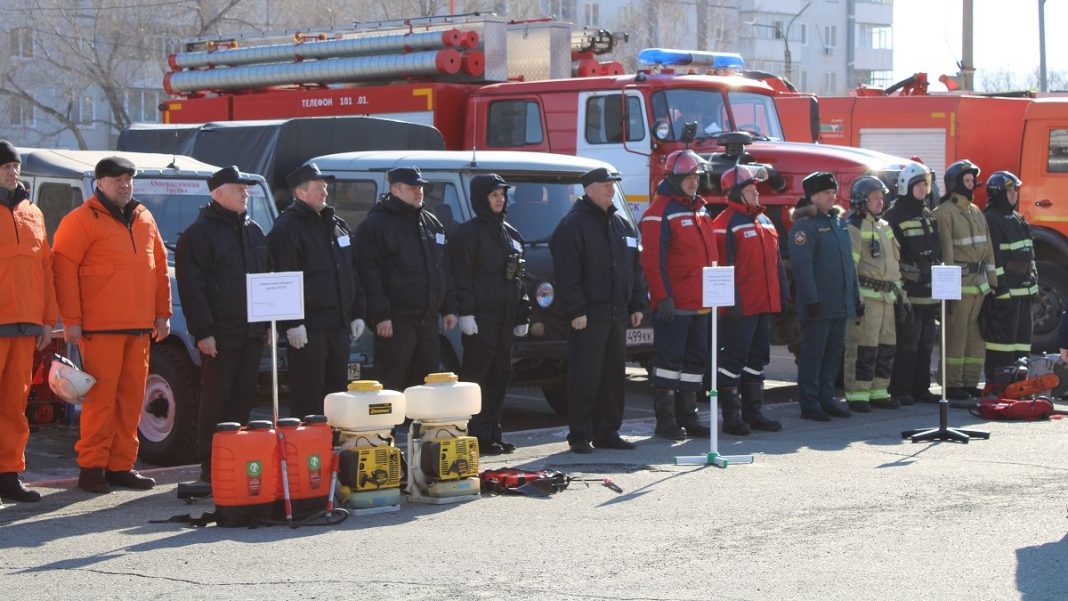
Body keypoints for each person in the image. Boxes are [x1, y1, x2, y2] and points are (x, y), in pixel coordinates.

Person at [53, 156, 171, 494]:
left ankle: (121, 466)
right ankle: (92, 468)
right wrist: (72, 321)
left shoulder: (144, 217)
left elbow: (159, 267)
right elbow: (63, 273)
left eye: (128, 178)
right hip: (99, 328)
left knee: (132, 400)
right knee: (100, 402)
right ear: (99, 183)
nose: (124, 184)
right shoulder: (80, 221)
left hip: (138, 327)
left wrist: (163, 314)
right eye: (116, 179)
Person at [176, 166, 270, 482]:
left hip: (251, 332)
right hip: (219, 334)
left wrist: (268, 324)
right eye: (238, 188)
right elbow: (193, 287)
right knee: (215, 399)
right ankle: (210, 464)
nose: (246, 193)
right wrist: (202, 331)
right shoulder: (199, 235)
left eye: (246, 188)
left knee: (243, 398)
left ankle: (237, 457)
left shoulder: (254, 231)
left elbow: (265, 281)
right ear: (218, 194)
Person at [551, 167, 647, 453]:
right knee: (585, 375)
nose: (611, 189)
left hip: (617, 313)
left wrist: (637, 303)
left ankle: (608, 432)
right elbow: (567, 274)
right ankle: (580, 434)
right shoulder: (573, 225)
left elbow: (634, 268)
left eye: (613, 185)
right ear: (589, 189)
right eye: (606, 185)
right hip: (588, 316)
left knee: (614, 375)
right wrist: (576, 310)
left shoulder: (621, 224)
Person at [267, 163, 365, 418]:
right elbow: (283, 276)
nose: (324, 192)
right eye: (318, 187)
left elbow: (352, 272)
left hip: (338, 326)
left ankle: (332, 447)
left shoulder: (337, 225)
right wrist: (292, 323)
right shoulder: (288, 227)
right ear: (300, 193)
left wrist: (357, 313)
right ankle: (308, 451)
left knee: (336, 394)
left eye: (325, 187)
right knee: (308, 393)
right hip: (309, 328)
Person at [449, 174, 531, 455]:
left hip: (505, 317)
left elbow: (519, 277)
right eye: (494, 195)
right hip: (481, 318)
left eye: (503, 195)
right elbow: (461, 277)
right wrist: (466, 313)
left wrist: (523, 313)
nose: (500, 199)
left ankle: (494, 432)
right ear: (481, 198)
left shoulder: (512, 234)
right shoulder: (467, 234)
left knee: (501, 375)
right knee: (477, 377)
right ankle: (476, 434)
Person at [355, 167, 456, 395]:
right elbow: (368, 274)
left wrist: (449, 308)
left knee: (425, 388)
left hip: (428, 322)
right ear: (395, 190)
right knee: (389, 386)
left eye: (420, 187)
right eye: (412, 188)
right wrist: (381, 316)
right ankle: (386, 432)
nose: (418, 192)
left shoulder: (431, 223)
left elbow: (443, 268)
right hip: (396, 323)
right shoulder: (376, 225)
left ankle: (418, 430)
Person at [639, 150, 716, 441]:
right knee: (669, 362)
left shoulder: (700, 209)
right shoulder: (659, 213)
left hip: (701, 303)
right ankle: (666, 420)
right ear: (674, 178)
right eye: (688, 177)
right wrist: (662, 297)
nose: (694, 182)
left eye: (696, 177)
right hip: (676, 304)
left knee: (695, 362)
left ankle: (689, 416)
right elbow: (652, 262)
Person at [0, 141, 57, 502]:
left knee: (15, 406)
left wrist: (47, 322)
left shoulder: (33, 213)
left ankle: (9, 474)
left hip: (25, 326)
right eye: (5, 166)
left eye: (15, 166)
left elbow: (46, 271)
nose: (13, 171)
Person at [712, 163, 787, 434]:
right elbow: (719, 269)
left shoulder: (765, 221)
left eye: (756, 188)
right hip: (739, 308)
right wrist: (730, 304)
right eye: (750, 189)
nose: (757, 193)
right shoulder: (724, 224)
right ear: (734, 193)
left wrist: (783, 293)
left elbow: (776, 263)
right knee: (733, 360)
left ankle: (753, 413)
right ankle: (731, 418)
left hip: (764, 304)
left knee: (757, 359)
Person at [787, 172, 860, 421]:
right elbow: (802, 267)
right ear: (813, 196)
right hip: (818, 306)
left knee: (832, 355)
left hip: (840, 304)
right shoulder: (804, 227)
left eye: (833, 192)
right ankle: (810, 403)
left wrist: (855, 297)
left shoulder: (838, 223)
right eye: (827, 193)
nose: (833, 196)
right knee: (813, 355)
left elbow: (849, 265)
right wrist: (811, 300)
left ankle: (826, 399)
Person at [932, 159, 996, 401]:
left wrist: (992, 283)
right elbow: (946, 252)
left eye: (972, 181)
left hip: (979, 286)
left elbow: (988, 249)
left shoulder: (976, 211)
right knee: (955, 335)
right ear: (955, 184)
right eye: (967, 181)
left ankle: (969, 381)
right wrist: (948, 290)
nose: (972, 185)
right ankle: (951, 384)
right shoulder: (944, 213)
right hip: (959, 285)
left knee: (975, 337)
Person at [843, 176, 907, 412]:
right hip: (867, 299)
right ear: (862, 200)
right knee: (862, 347)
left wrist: (902, 295)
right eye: (875, 198)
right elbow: (850, 268)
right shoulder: (854, 226)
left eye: (882, 197)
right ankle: (858, 394)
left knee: (886, 346)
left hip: (887, 298)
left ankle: (879, 391)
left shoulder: (884, 226)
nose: (881, 202)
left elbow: (893, 265)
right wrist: (855, 298)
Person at [884, 162, 941, 405]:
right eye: (918, 184)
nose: (922, 189)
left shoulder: (928, 213)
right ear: (906, 186)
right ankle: (901, 390)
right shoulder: (894, 215)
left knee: (927, 342)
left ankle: (921, 388)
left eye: (925, 184)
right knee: (908, 343)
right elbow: (893, 256)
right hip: (909, 291)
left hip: (930, 291)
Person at [981, 171, 1037, 382]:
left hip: (1024, 294)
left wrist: (1034, 281)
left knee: (1022, 343)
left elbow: (1030, 254)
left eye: (1016, 190)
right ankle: (999, 384)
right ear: (998, 193)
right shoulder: (991, 219)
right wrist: (1001, 289)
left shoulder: (1018, 219)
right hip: (1007, 295)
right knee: (1002, 345)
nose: (1015, 194)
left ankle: (1019, 384)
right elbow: (993, 258)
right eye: (1010, 190)